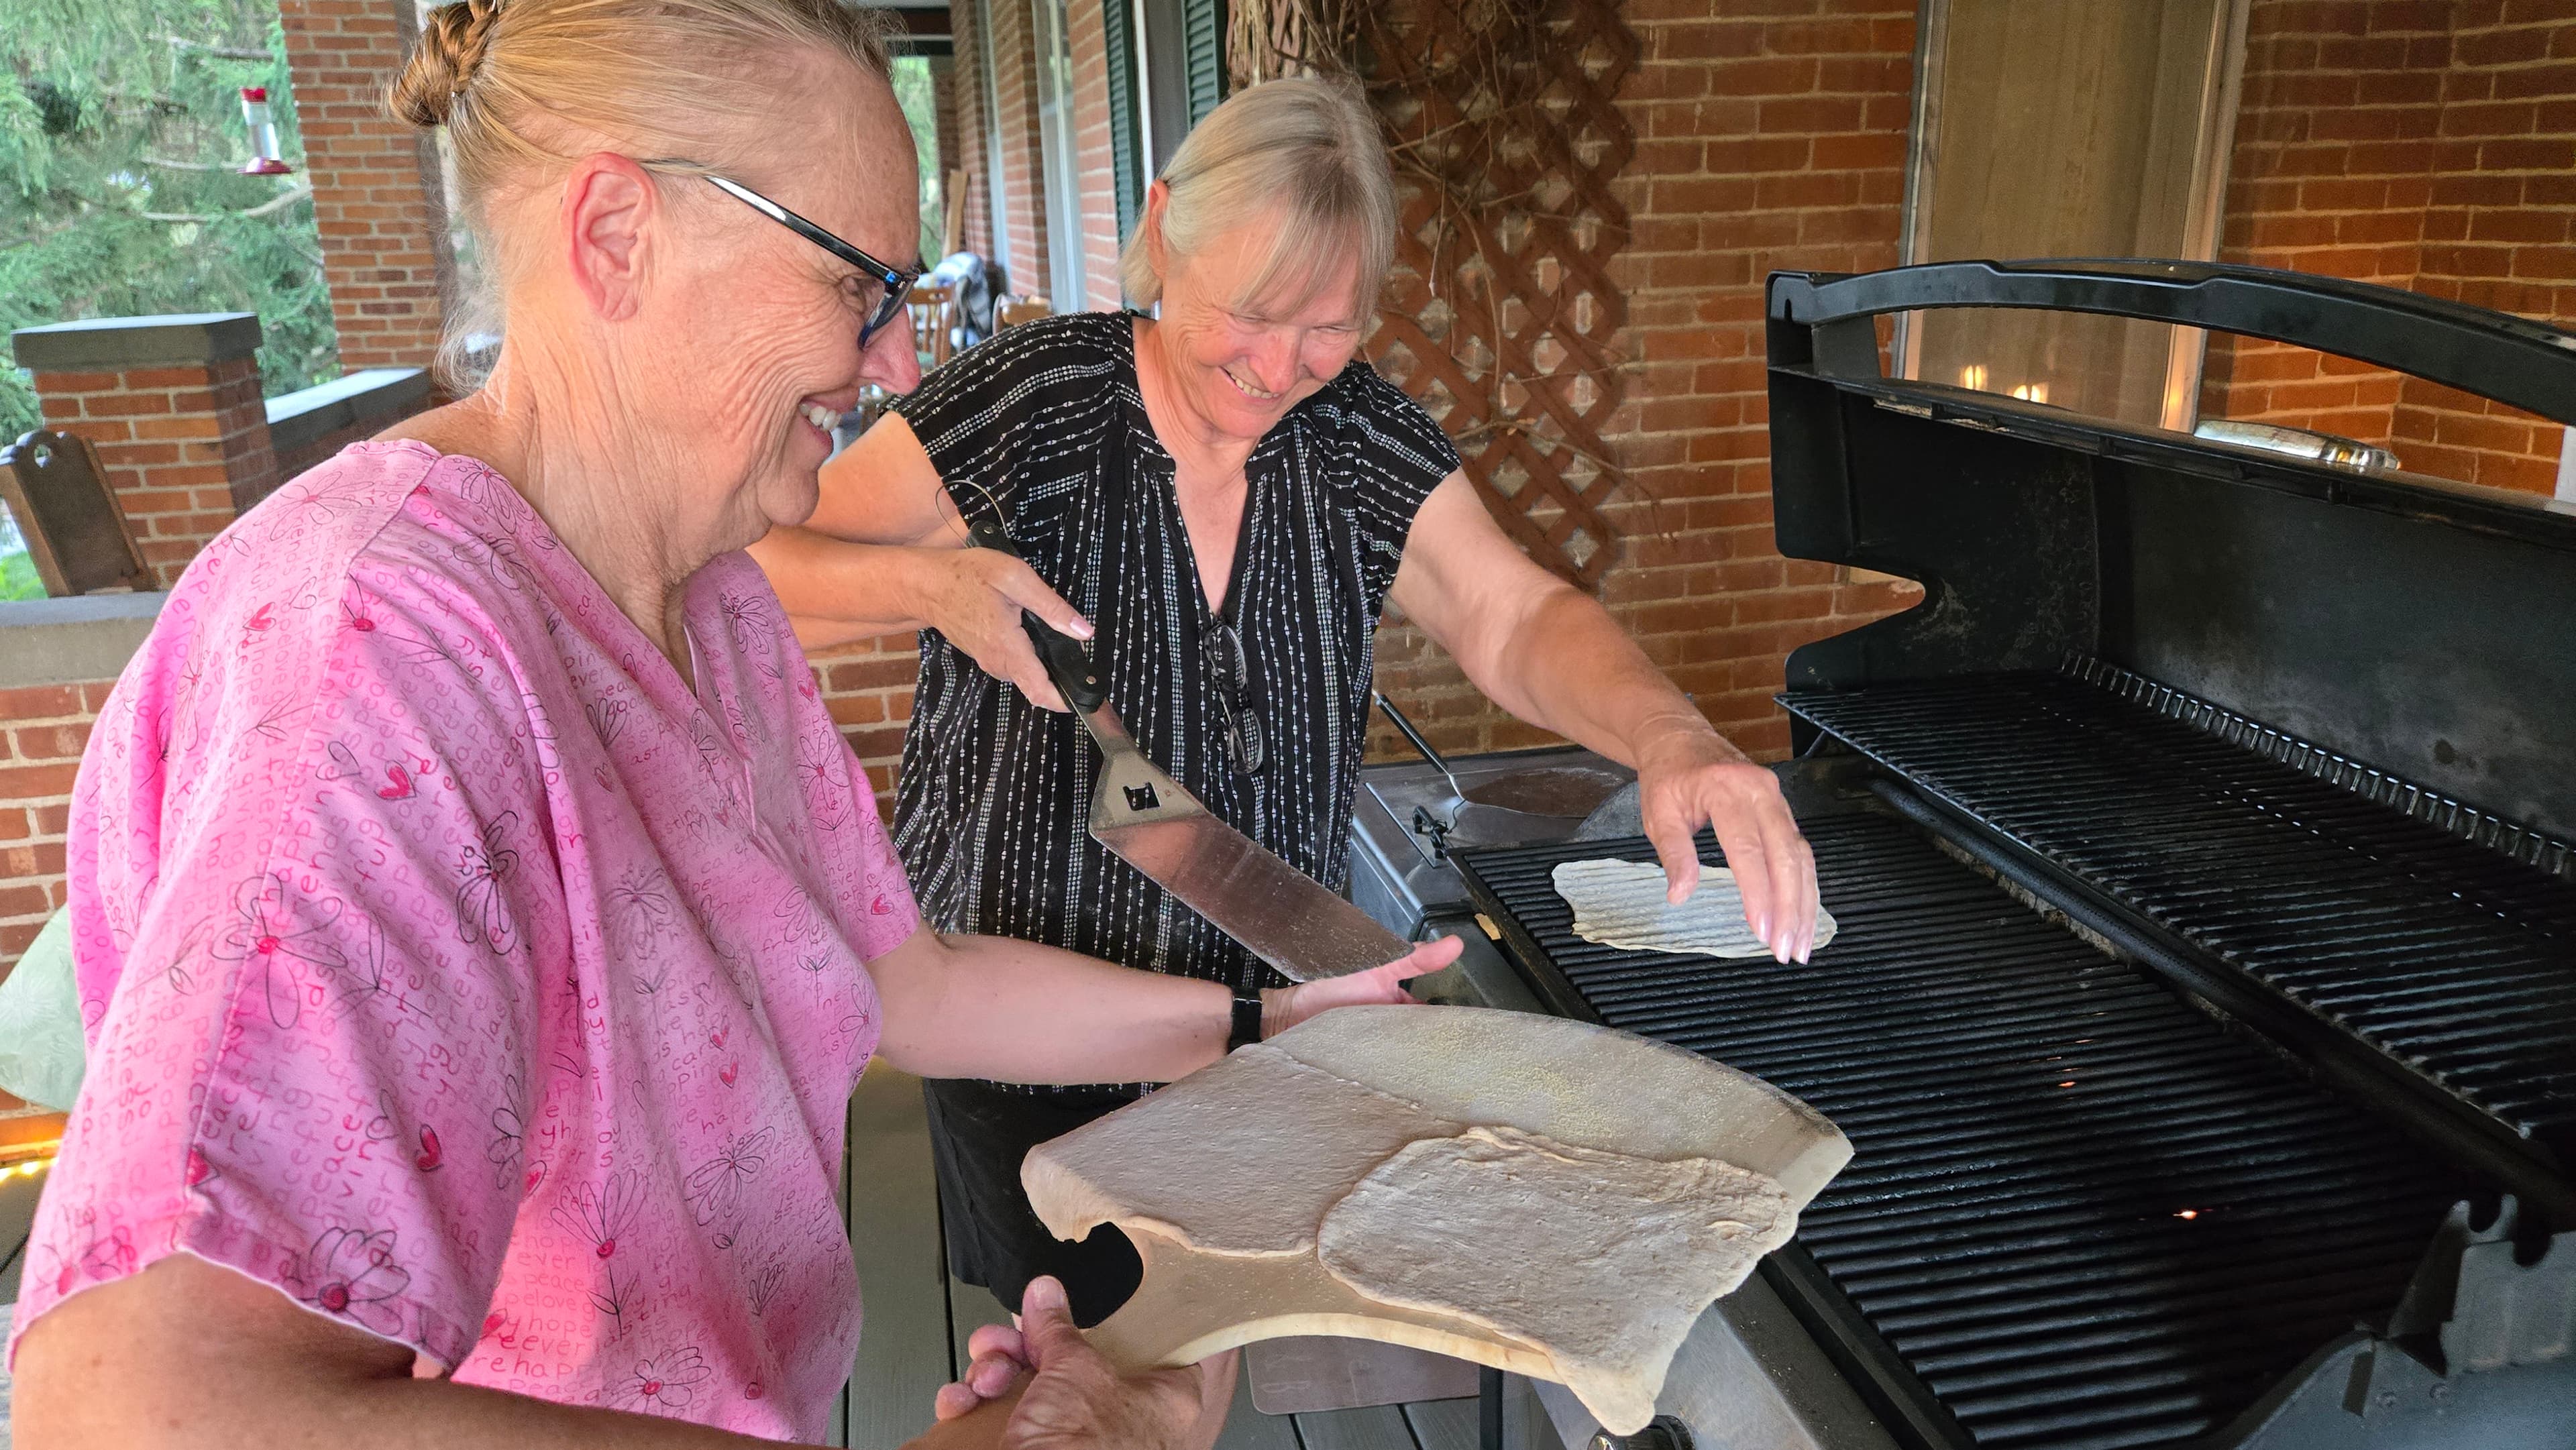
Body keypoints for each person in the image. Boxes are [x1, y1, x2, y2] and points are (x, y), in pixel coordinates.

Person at [4, 5, 1456, 1449]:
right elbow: (130, 1408)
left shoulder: (711, 603)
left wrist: (1265, 1019)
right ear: (618, 234)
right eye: (858, 288)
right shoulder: (377, 654)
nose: (895, 365)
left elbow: (912, 984)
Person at [749, 74, 1826, 1333]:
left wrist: (1671, 736)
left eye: (1328, 328)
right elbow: (758, 571)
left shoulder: (1356, 436)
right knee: (1072, 1344)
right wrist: (930, 588)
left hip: (1271, 1015)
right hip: (1019, 1019)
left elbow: (1511, 612)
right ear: (1164, 228)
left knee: (1211, 1333)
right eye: (1251, 314)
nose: (1277, 369)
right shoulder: (1037, 403)